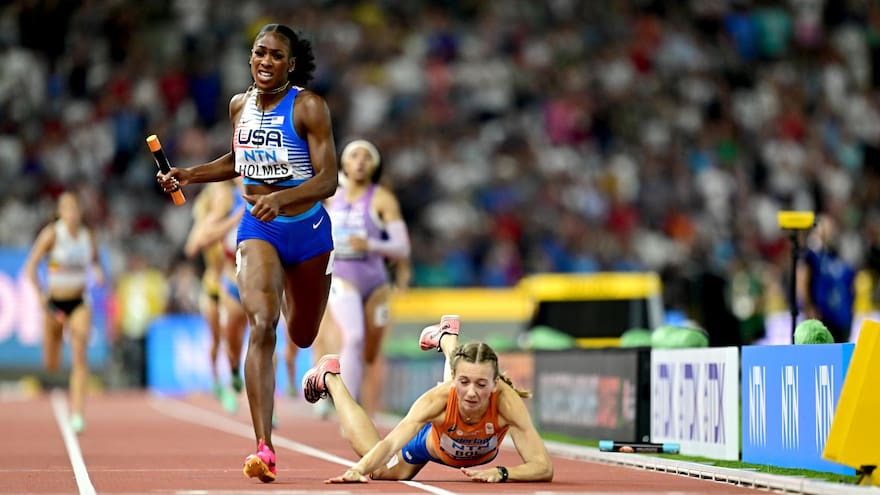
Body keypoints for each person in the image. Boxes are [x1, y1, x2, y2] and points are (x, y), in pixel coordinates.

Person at [156, 23, 337, 483]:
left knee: (302, 335)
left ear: (290, 64)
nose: (265, 61)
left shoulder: (309, 107)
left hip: (308, 229)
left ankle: (306, 289)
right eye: (259, 53)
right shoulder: (241, 105)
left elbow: (328, 179)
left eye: (276, 55)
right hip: (259, 226)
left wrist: (283, 198)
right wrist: (190, 174)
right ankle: (264, 446)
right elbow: (238, 160)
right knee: (261, 324)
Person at [301, 315, 554, 483]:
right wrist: (358, 469)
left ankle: (447, 338)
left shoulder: (506, 403)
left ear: (495, 383)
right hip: (428, 444)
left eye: (482, 384)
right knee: (379, 471)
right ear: (454, 378)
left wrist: (503, 473)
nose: (473, 392)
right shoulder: (438, 399)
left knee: (463, 386)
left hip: (459, 438)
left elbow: (543, 467)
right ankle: (332, 377)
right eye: (464, 382)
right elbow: (389, 444)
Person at [313, 139, 411, 416]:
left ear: (375, 166)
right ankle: (347, 407)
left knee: (370, 352)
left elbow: (401, 247)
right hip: (342, 278)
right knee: (352, 337)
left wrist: (371, 244)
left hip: (376, 283)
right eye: (354, 156)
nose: (360, 161)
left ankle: (367, 406)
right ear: (344, 164)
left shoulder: (382, 199)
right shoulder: (331, 198)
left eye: (367, 157)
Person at [23, 192, 104, 434]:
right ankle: (54, 367)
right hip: (54, 304)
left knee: (80, 353)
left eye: (75, 208)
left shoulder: (88, 236)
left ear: (80, 211)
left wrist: (98, 272)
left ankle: (77, 414)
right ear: (60, 212)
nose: (71, 213)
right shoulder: (52, 234)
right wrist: (39, 296)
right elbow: (30, 267)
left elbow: (96, 261)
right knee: (52, 364)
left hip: (79, 301)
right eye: (66, 208)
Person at [183, 180, 246, 412]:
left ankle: (232, 379)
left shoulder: (237, 213)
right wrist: (220, 222)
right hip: (212, 286)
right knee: (216, 340)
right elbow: (192, 248)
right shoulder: (209, 222)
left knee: (233, 338)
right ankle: (218, 383)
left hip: (230, 283)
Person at [797, 214, 856, 343]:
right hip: (821, 315)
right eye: (826, 228)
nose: (830, 232)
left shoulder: (836, 257)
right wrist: (808, 308)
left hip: (840, 317)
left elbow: (849, 287)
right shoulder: (811, 256)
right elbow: (803, 281)